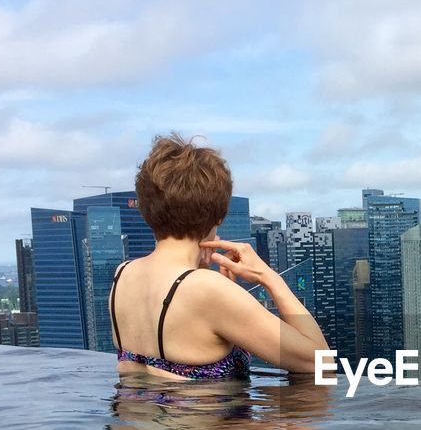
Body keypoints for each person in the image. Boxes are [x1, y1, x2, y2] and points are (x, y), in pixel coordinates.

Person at [109, 133, 328, 380]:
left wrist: (204, 274)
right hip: (208, 419)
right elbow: (321, 362)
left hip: (131, 417)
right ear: (219, 215)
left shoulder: (123, 274)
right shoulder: (208, 289)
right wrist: (268, 277)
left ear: (146, 207)